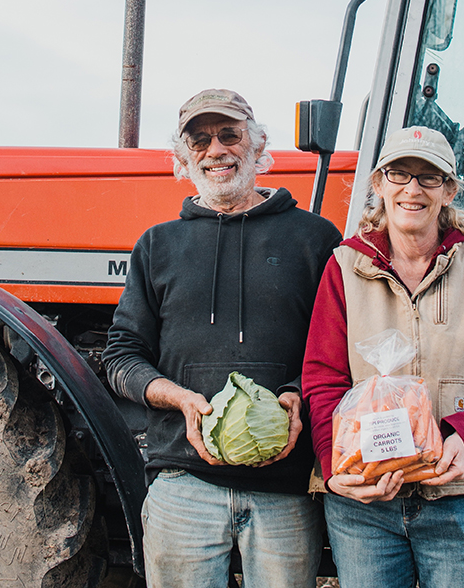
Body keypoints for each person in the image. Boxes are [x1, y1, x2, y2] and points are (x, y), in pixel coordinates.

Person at [103, 88, 342, 588]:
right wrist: (181, 399)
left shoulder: (316, 239)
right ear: (182, 158)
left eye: (230, 135)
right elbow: (122, 356)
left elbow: (338, 349)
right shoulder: (157, 245)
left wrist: (299, 395)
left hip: (286, 488)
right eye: (199, 141)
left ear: (257, 146)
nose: (216, 151)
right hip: (183, 483)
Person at [302, 125, 464, 588]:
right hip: (365, 502)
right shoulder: (344, 268)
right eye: (399, 173)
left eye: (428, 177)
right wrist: (335, 471)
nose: (412, 189)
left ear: (449, 189)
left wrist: (461, 436)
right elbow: (322, 380)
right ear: (378, 184)